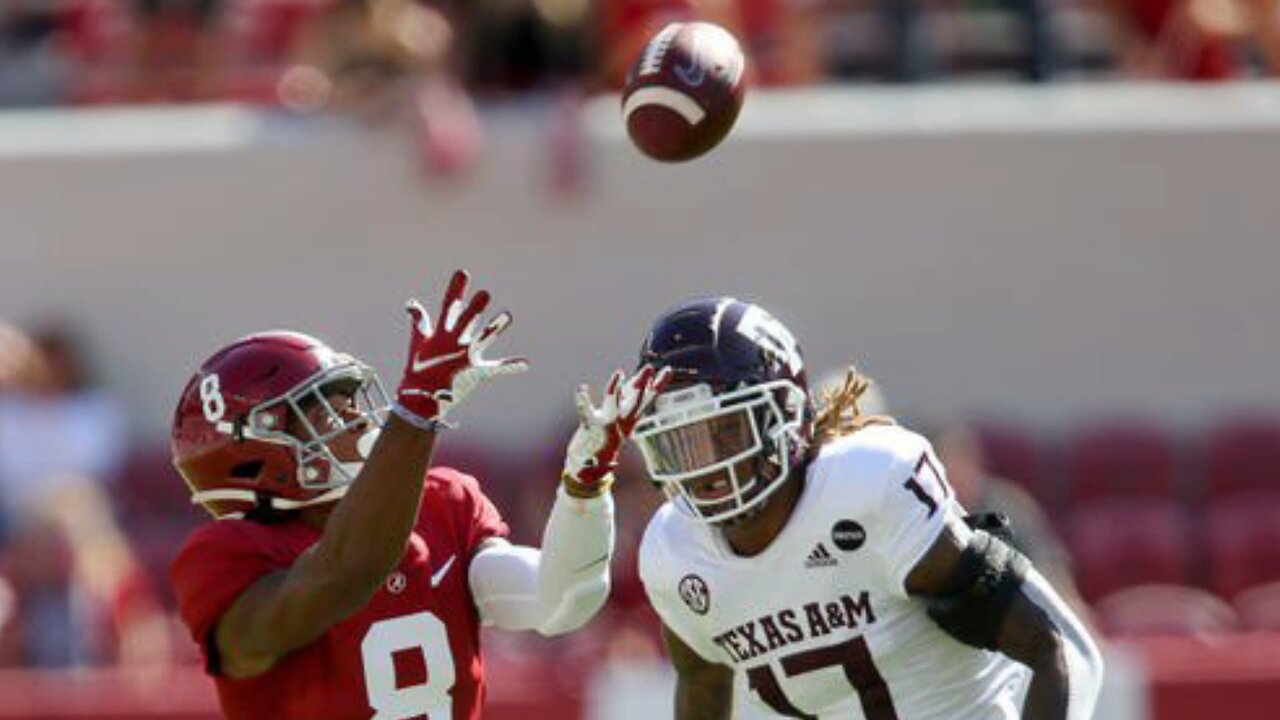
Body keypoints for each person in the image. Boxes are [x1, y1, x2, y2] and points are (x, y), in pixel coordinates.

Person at [168, 270, 670, 720]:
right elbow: (345, 575)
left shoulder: (442, 502)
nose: (360, 417)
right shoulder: (226, 557)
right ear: (258, 455)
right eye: (328, 411)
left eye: (350, 399)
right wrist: (416, 414)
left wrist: (584, 488)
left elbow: (559, 600)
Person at [630, 297, 1103, 719]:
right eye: (684, 442)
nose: (710, 465)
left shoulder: (867, 487)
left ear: (783, 414)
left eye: (728, 429)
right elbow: (703, 685)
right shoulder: (675, 552)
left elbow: (1059, 646)